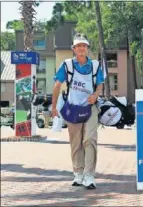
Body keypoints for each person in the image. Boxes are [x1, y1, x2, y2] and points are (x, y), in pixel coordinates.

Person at [51, 33, 105, 189]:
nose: (81, 48)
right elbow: (56, 86)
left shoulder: (95, 65)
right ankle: (78, 174)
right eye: (78, 46)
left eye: (84, 46)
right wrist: (54, 107)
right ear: (74, 49)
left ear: (87, 48)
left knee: (90, 139)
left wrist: (96, 95)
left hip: (91, 108)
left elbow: (100, 83)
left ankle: (89, 176)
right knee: (76, 144)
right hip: (72, 108)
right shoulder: (67, 65)